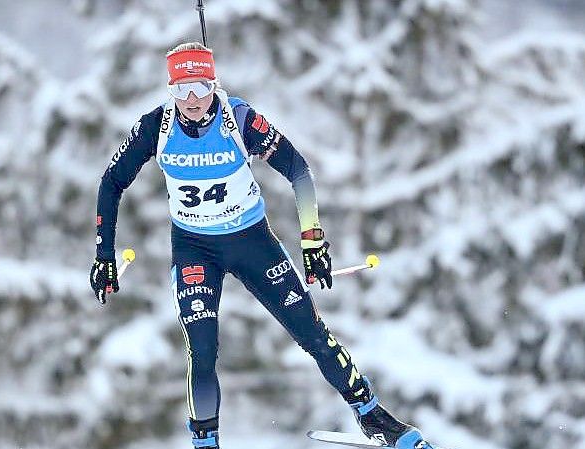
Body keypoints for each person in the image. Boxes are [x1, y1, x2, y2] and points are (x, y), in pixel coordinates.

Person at [90, 42, 435, 449]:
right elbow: (111, 182)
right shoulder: (156, 127)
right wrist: (103, 253)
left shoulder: (239, 119)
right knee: (201, 349)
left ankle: (374, 417)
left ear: (213, 85)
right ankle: (206, 444)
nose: (192, 100)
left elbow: (298, 170)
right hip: (194, 249)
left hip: (251, 241)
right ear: (170, 91)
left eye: (200, 87)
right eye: (180, 90)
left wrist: (312, 239)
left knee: (311, 332)